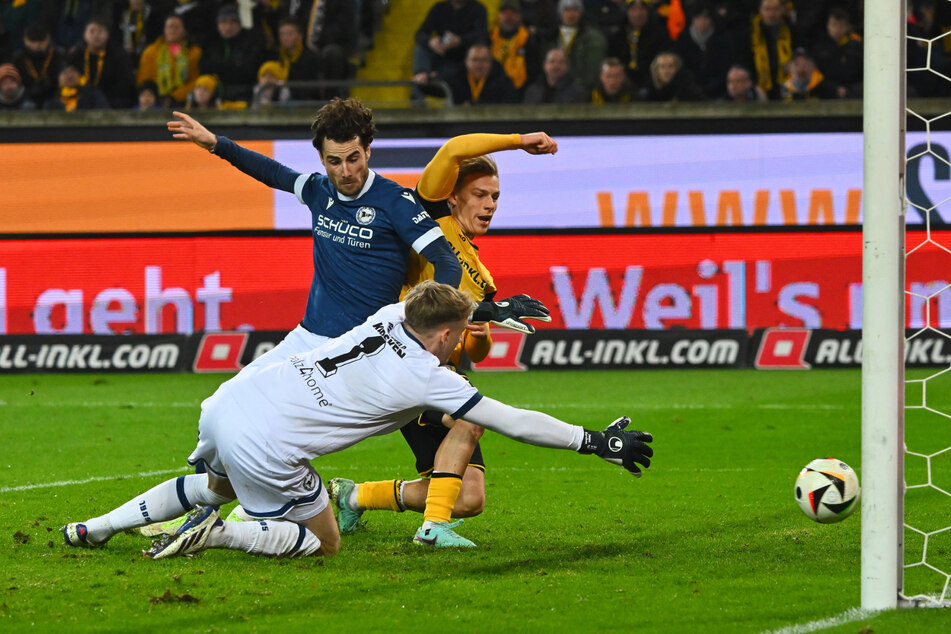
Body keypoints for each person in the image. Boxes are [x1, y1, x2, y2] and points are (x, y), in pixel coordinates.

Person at [62, 281, 654, 560]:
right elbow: (515, 420)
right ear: (447, 337)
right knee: (323, 543)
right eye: (460, 335)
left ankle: (94, 527)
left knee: (216, 484)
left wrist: (490, 311)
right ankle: (219, 531)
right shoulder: (430, 377)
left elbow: (439, 305)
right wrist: (595, 441)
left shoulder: (390, 314)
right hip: (269, 442)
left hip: (230, 400)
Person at [330, 131, 560, 548]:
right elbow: (454, 149)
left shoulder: (483, 277)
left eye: (496, 196)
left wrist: (481, 331)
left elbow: (478, 352)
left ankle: (354, 495)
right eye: (480, 194)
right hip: (406, 361)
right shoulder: (433, 218)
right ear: (453, 197)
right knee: (472, 418)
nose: (490, 204)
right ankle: (431, 531)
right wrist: (518, 140)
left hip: (445, 370)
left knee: (469, 498)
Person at [413, 0, 489, 89]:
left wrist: (460, 40)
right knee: (420, 48)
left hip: (462, 61)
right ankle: (422, 76)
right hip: (441, 56)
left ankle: (430, 77)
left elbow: (482, 36)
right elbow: (420, 34)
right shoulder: (439, 8)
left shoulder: (478, 9)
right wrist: (430, 42)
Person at [197, 3, 264, 103]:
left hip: (244, 96)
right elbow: (203, 68)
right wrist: (232, 66)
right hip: (214, 97)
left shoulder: (250, 41)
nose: (228, 27)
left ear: (240, 24)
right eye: (224, 22)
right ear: (218, 25)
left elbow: (248, 71)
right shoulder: (211, 43)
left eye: (233, 22)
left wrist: (219, 68)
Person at [66, 17, 135, 109]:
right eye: (92, 31)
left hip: (110, 102)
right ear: (85, 35)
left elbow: (124, 85)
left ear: (107, 35)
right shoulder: (76, 55)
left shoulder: (118, 56)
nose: (96, 35)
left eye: (100, 31)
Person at [136, 14, 202, 107]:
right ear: (164, 30)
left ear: (184, 31)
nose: (172, 31)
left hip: (183, 101)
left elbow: (195, 80)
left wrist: (175, 96)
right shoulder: (150, 51)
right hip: (155, 102)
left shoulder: (194, 52)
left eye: (177, 27)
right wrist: (156, 96)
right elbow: (144, 79)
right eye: (169, 27)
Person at [545, 0, 607, 92]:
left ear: (581, 13)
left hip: (582, 90)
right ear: (560, 13)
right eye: (567, 10)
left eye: (575, 10)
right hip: (554, 88)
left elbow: (593, 70)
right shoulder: (550, 36)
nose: (571, 15)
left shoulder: (593, 38)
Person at [607, 0, 670, 90]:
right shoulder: (617, 37)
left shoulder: (660, 35)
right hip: (622, 84)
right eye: (633, 9)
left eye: (642, 9)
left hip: (651, 83)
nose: (638, 14)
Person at [743, 0, 797, 100]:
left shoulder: (793, 32)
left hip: (788, 85)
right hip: (758, 88)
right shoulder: (750, 35)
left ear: (783, 10)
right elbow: (745, 63)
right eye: (767, 9)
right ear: (760, 11)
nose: (771, 13)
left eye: (776, 9)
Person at [490, 0, 542, 96]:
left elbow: (534, 72)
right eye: (504, 13)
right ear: (498, 15)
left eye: (513, 13)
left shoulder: (529, 40)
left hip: (522, 92)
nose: (508, 17)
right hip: (494, 92)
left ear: (520, 16)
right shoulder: (490, 38)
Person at [443, 42, 520, 105]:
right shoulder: (453, 81)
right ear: (466, 62)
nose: (479, 65)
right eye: (474, 60)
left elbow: (510, 106)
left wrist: (474, 105)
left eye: (484, 60)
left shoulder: (505, 83)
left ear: (491, 62)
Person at [811, 7, 863, 99]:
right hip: (827, 95)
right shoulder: (820, 49)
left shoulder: (857, 47)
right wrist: (834, 89)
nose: (837, 29)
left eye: (841, 25)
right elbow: (816, 75)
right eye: (834, 25)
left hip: (853, 95)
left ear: (848, 27)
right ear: (827, 26)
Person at [12, 23, 66, 106]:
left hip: (53, 95)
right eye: (33, 41)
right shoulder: (19, 58)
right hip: (27, 96)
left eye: (41, 40)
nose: (37, 44)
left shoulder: (57, 55)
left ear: (48, 39)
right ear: (26, 40)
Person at [523, 47, 587, 103]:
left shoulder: (577, 92)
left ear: (567, 66)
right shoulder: (533, 91)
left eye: (561, 62)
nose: (556, 66)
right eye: (552, 62)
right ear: (545, 65)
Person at [639, 50, 706, 101]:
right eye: (662, 67)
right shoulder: (647, 94)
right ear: (656, 70)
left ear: (677, 69)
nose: (667, 71)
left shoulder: (690, 92)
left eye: (670, 66)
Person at [42, 63, 111, 110]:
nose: (69, 76)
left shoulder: (93, 97)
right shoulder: (50, 102)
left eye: (73, 71)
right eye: (65, 72)